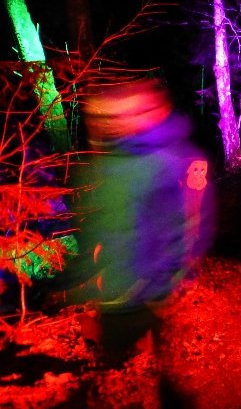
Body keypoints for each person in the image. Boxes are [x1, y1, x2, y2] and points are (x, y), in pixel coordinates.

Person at [64, 77, 216, 402]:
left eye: (113, 116)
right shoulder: (99, 165)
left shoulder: (172, 160)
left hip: (147, 290)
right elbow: (95, 230)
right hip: (116, 292)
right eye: (98, 117)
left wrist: (171, 280)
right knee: (119, 376)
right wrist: (85, 286)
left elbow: (187, 222)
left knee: (154, 374)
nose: (105, 124)